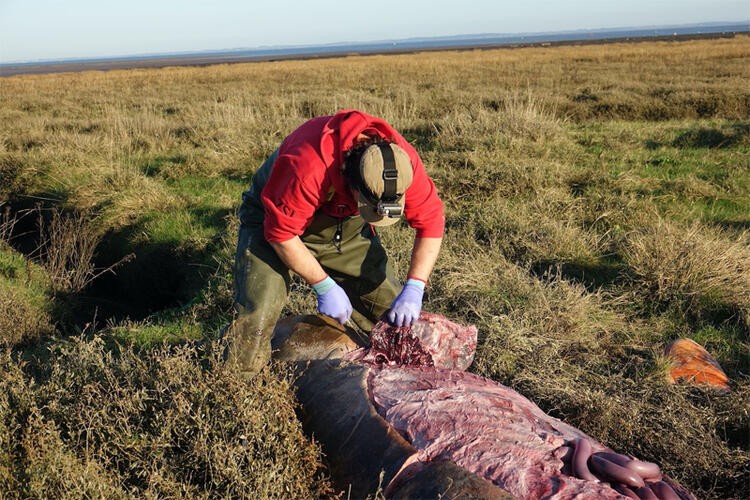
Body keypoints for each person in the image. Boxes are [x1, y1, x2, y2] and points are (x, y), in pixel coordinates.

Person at [224, 109, 445, 378]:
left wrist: (415, 287)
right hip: (272, 221)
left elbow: (432, 222)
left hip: (343, 227)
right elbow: (280, 234)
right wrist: (324, 285)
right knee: (257, 318)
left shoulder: (401, 164)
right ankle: (238, 392)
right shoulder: (308, 166)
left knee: (397, 326)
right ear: (352, 183)